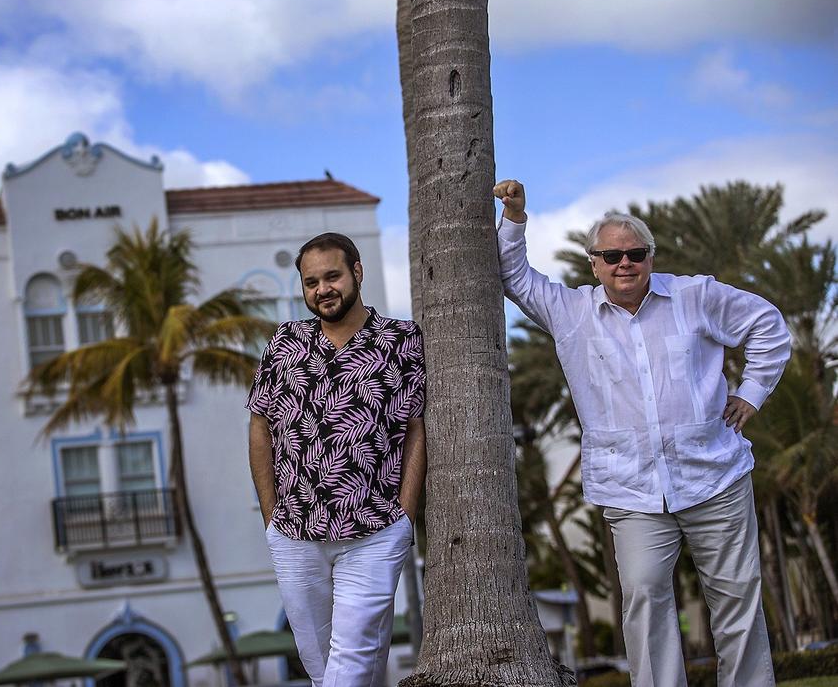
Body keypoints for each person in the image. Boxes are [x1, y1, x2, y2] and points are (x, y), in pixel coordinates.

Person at [494, 179, 790, 686]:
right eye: (611, 255)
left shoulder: (697, 296)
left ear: (650, 256)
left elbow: (768, 324)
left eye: (634, 253)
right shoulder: (572, 313)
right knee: (645, 598)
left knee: (738, 599)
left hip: (715, 477)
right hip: (630, 490)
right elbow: (514, 276)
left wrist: (751, 393)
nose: (624, 263)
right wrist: (516, 217)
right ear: (594, 263)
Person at [247, 232, 427, 687]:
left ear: (357, 272)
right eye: (311, 282)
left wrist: (404, 514)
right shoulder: (284, 343)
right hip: (294, 533)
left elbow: (415, 430)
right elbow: (260, 427)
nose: (322, 289)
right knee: (319, 665)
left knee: (351, 659)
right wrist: (271, 517)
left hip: (374, 531)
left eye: (332, 276)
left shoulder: (401, 341)